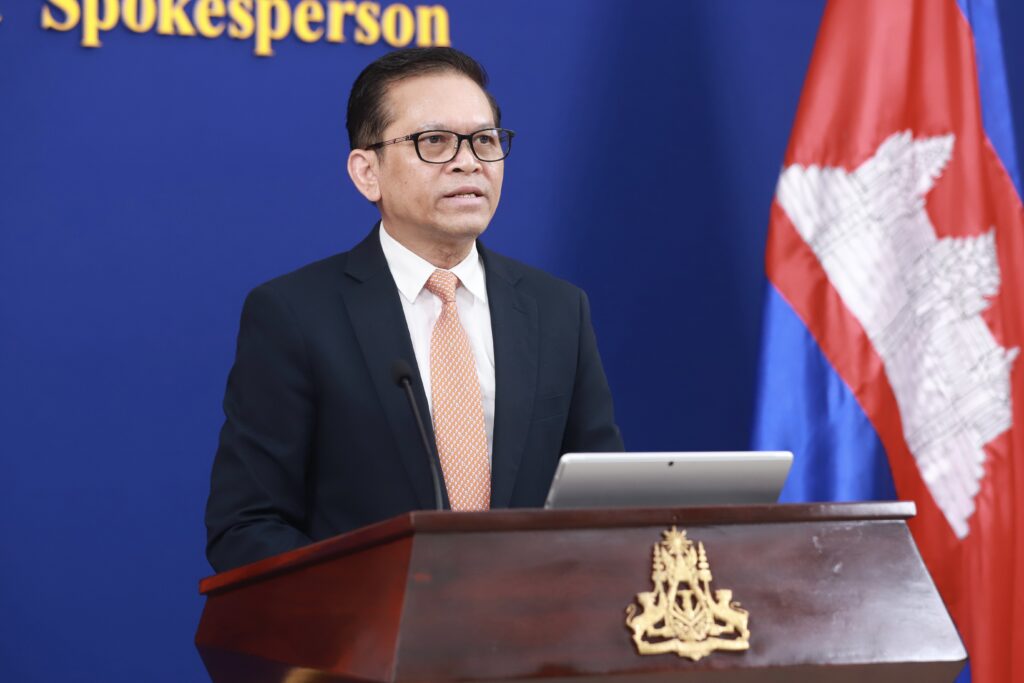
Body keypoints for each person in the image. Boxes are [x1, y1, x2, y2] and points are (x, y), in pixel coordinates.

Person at [205, 47, 623, 573]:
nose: (468, 161)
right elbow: (247, 525)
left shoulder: (558, 310)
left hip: (531, 619)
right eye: (434, 141)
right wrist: (379, 599)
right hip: (366, 622)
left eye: (485, 140)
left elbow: (607, 503)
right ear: (367, 173)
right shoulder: (295, 315)